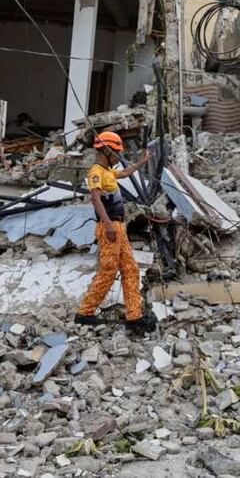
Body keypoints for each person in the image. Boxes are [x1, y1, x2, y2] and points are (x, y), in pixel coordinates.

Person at [75, 130, 155, 334]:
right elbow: (95, 198)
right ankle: (85, 312)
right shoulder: (96, 171)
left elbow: (126, 173)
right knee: (109, 270)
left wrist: (143, 162)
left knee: (131, 269)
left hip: (119, 227)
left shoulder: (109, 171)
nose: (118, 157)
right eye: (116, 152)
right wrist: (108, 224)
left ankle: (134, 316)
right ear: (107, 150)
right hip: (109, 226)